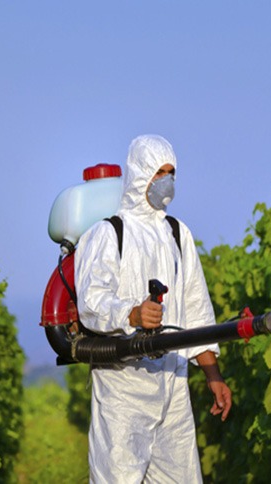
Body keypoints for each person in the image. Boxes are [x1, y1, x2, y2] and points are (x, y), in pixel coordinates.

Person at [74, 134, 232, 483]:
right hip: (123, 392)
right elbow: (91, 302)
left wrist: (213, 376)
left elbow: (196, 308)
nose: (168, 181)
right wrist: (131, 314)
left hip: (173, 389)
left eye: (172, 172)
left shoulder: (178, 233)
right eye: (160, 172)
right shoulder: (108, 234)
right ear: (141, 174)